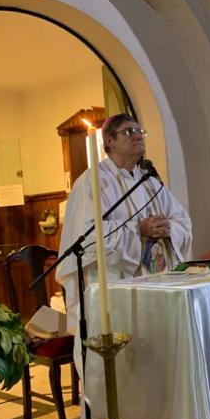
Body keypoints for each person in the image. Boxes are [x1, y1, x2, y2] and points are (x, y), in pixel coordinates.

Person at [57, 113, 192, 371]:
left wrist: (168, 228)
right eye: (129, 132)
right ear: (109, 141)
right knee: (123, 364)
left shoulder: (150, 181)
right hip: (114, 284)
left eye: (140, 131)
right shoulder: (93, 182)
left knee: (154, 359)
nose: (139, 136)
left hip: (156, 286)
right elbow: (87, 238)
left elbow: (184, 222)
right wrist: (138, 230)